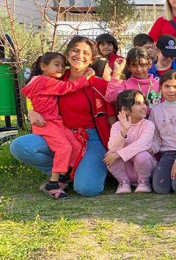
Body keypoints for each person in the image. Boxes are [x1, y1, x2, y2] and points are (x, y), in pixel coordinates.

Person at [11, 36, 115, 197]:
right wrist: (31, 112)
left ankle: (81, 172)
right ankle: (62, 175)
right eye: (75, 50)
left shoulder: (99, 84)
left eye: (85, 53)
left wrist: (115, 148)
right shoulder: (55, 78)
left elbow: (113, 113)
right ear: (67, 54)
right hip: (60, 132)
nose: (79, 55)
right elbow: (36, 97)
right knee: (20, 146)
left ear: (92, 59)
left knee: (87, 189)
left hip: (91, 138)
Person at [20, 53, 95, 199]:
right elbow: (68, 87)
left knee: (75, 145)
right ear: (43, 66)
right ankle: (53, 183)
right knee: (64, 147)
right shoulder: (44, 80)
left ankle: (63, 177)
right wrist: (86, 78)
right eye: (56, 64)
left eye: (62, 65)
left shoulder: (43, 80)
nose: (60, 68)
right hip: (46, 123)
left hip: (56, 122)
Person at [105, 89, 157, 194]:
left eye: (144, 103)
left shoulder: (148, 125)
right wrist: (124, 131)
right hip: (126, 169)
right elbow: (113, 147)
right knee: (110, 154)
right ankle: (123, 182)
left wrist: (118, 155)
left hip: (144, 168)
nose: (144, 107)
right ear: (125, 110)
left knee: (142, 155)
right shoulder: (116, 126)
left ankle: (144, 182)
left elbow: (142, 144)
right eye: (138, 103)